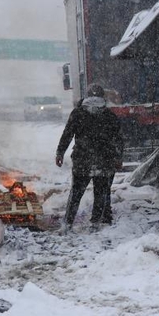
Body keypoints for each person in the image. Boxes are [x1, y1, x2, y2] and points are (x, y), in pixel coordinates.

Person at [55, 84, 124, 233]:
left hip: (82, 160)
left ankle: (67, 223)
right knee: (101, 192)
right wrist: (118, 158)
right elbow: (118, 139)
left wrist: (60, 153)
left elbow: (67, 135)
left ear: (86, 96)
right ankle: (95, 223)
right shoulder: (109, 116)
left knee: (76, 193)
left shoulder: (77, 114)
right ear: (102, 97)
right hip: (104, 160)